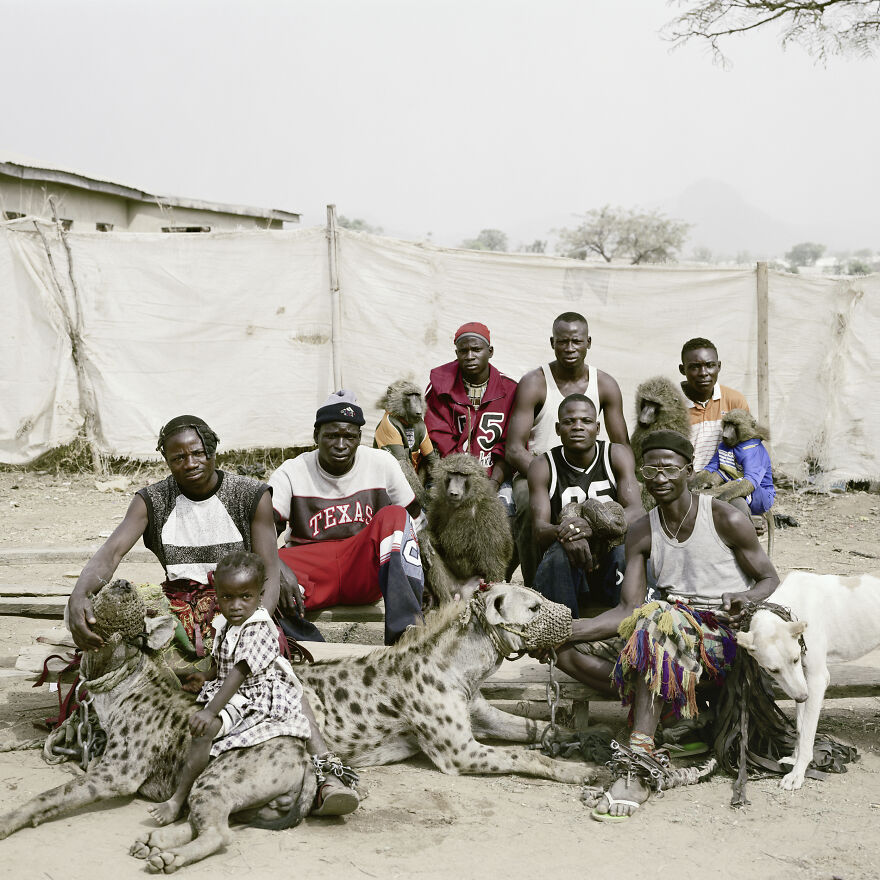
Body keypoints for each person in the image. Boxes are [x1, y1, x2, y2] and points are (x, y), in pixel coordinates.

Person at [67, 415, 358, 816]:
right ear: (166, 461)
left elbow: (269, 570)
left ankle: (326, 773)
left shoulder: (249, 495)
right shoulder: (152, 500)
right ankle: (150, 755)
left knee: (278, 677)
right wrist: (79, 593)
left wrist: (258, 622)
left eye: (197, 452)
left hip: (241, 608)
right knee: (141, 672)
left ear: (213, 449)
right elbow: (112, 552)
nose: (189, 462)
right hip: (181, 615)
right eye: (178, 457)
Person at [553, 429, 779, 821]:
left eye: (668, 468)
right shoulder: (641, 530)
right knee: (568, 649)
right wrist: (563, 631)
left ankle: (637, 762)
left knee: (658, 620)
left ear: (688, 470)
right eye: (650, 468)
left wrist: (748, 600)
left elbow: (769, 579)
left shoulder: (724, 517)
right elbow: (627, 611)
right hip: (666, 633)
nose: (658, 477)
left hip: (720, 636)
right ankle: (672, 713)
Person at [148, 551, 313, 825]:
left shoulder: (257, 627)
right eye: (227, 597)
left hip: (252, 696)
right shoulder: (229, 624)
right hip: (231, 689)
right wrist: (205, 677)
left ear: (260, 595)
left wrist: (211, 712)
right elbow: (222, 661)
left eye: (245, 597)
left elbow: (238, 673)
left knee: (204, 730)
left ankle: (178, 798)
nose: (235, 605)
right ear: (217, 595)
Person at [268, 393, 424, 646]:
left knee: (395, 516)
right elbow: (263, 528)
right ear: (316, 436)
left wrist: (420, 578)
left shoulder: (382, 463)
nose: (340, 444)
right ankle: (309, 646)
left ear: (359, 438)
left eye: (349, 436)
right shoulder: (292, 471)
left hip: (364, 567)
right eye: (331, 436)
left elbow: (415, 521)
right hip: (312, 570)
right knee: (261, 571)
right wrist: (275, 565)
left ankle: (406, 635)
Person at [506, 312, 630, 586]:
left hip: (591, 465)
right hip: (541, 468)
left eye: (576, 341)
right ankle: (536, 584)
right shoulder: (535, 382)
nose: (570, 348)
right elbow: (514, 449)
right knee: (526, 499)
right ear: (552, 342)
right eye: (563, 342)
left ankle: (609, 581)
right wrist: (553, 476)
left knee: (627, 500)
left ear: (588, 342)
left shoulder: (605, 384)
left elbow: (622, 445)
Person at [528, 394, 644, 618]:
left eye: (586, 421)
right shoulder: (543, 465)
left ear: (598, 427)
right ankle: (558, 631)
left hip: (609, 554)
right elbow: (540, 530)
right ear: (557, 428)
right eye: (569, 421)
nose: (577, 427)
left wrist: (590, 525)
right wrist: (571, 535)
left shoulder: (616, 454)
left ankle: (633, 625)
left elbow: (637, 511)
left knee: (625, 550)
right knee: (559, 553)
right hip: (571, 561)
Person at [424, 321, 518, 490]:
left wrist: (494, 483)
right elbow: (437, 437)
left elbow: (511, 445)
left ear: (490, 352)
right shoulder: (440, 387)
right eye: (463, 351)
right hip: (450, 474)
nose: (469, 356)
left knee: (507, 509)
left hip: (496, 476)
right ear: (456, 353)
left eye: (476, 350)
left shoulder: (510, 390)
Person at [679, 337, 750, 472]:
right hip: (684, 482)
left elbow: (747, 448)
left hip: (725, 479)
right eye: (695, 367)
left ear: (719, 366)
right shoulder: (672, 405)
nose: (704, 373)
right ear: (682, 369)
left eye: (710, 365)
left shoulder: (735, 401)